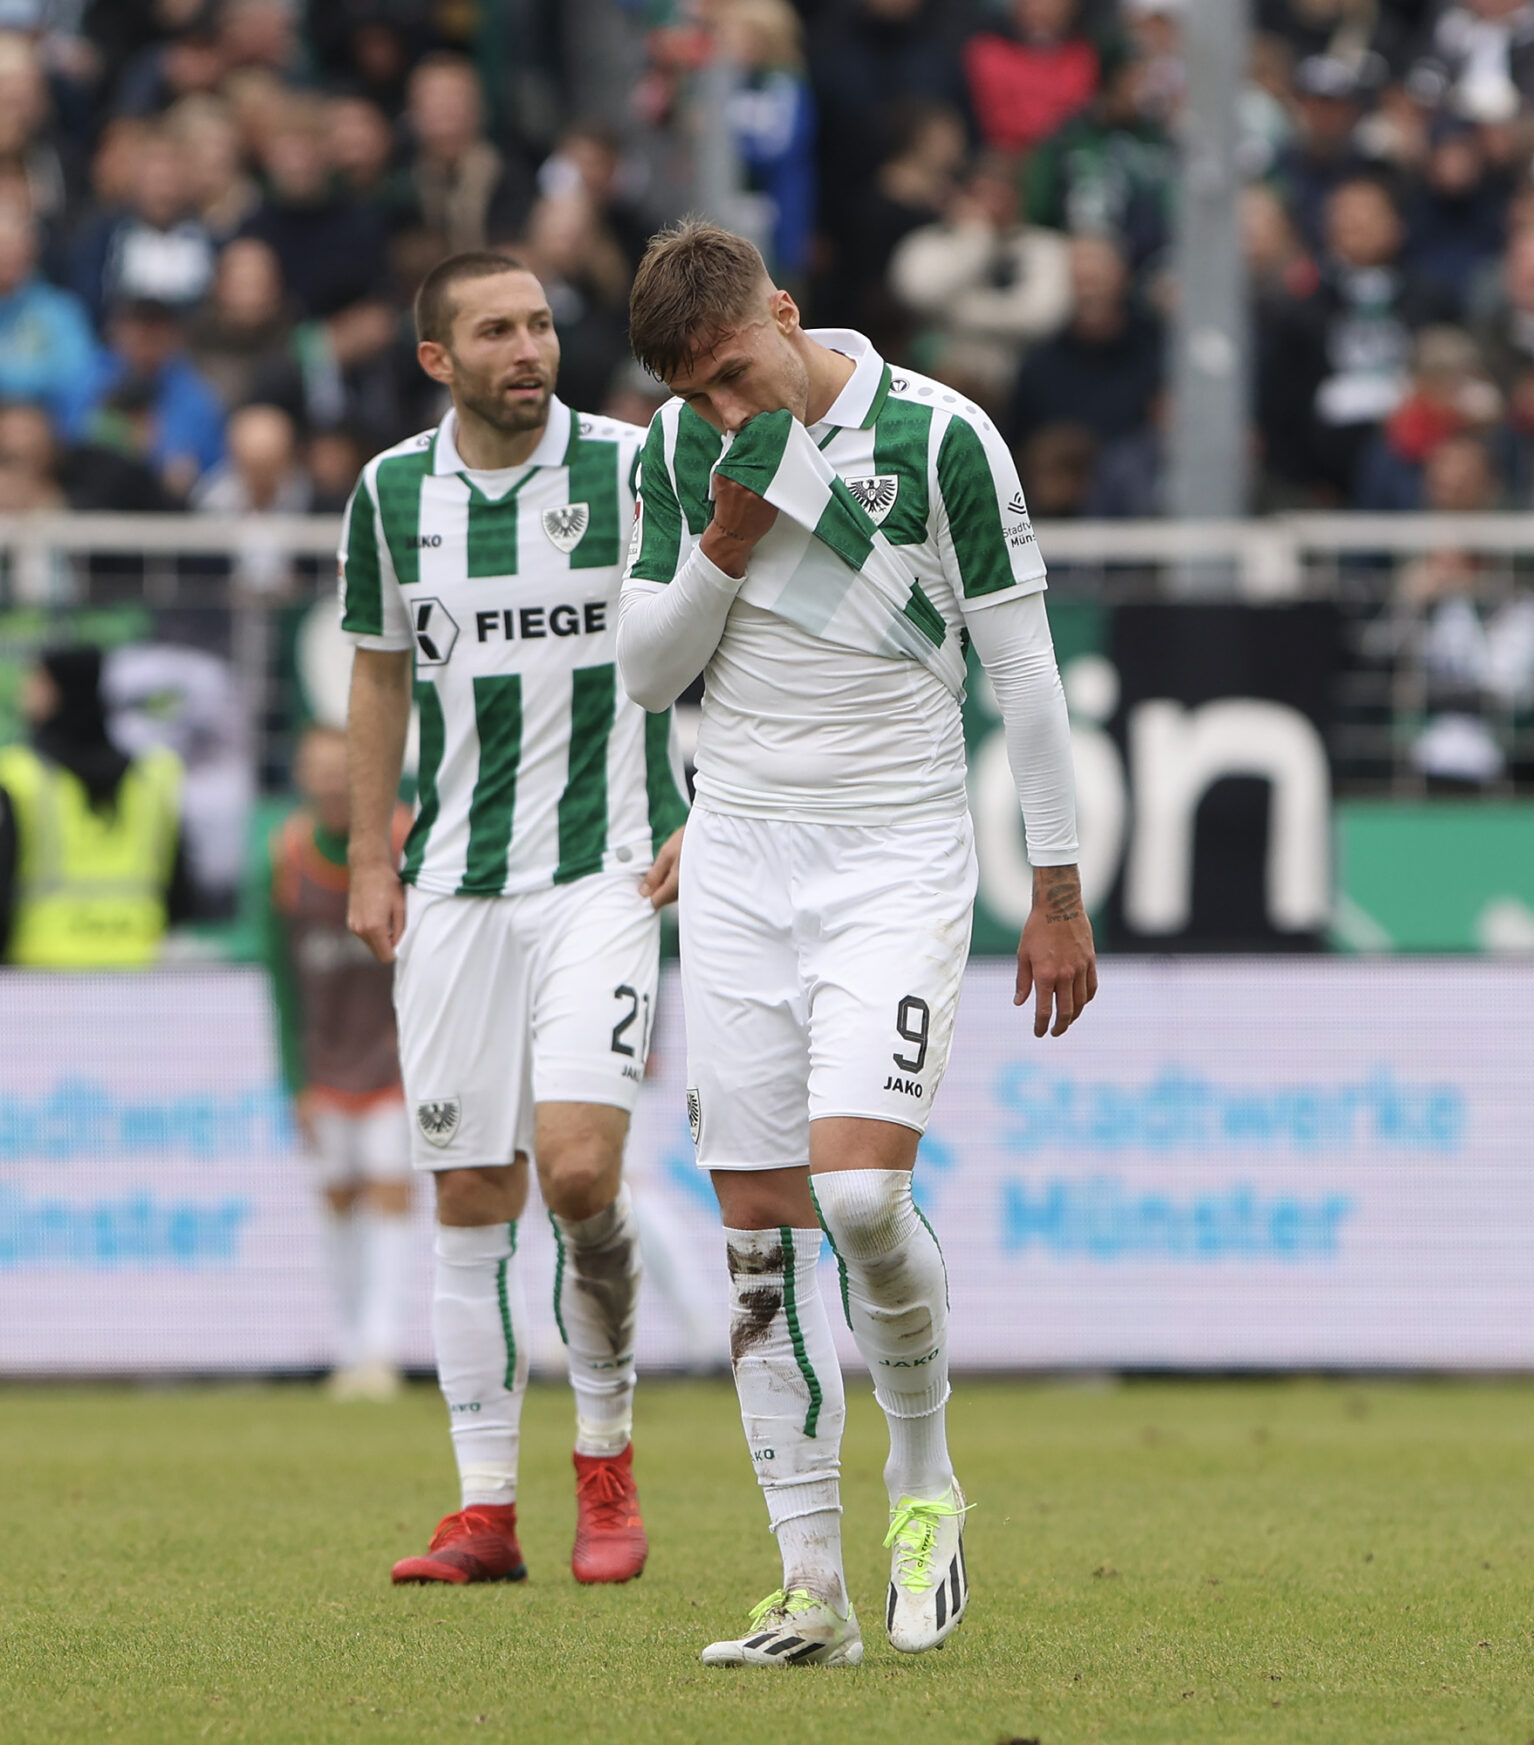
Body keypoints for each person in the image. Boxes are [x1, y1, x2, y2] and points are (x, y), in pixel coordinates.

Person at [616, 220, 1094, 1669]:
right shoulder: (673, 462)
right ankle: (809, 1590)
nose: (728, 413)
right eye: (698, 393)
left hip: (895, 853)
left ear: (788, 311)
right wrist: (723, 543)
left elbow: (1023, 670)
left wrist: (1059, 889)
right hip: (745, 857)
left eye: (738, 372)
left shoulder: (943, 437)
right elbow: (647, 667)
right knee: (757, 1245)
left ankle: (927, 1476)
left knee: (863, 1201)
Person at [338, 252, 686, 1588]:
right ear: (440, 360)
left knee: (581, 1173)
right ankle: (486, 1507)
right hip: (459, 893)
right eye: (496, 330)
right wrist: (372, 853)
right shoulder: (390, 495)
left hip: (603, 869)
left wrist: (699, 796)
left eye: (539, 323)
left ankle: (607, 1460)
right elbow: (378, 678)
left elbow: (727, 614)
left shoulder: (628, 467)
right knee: (471, 1193)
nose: (528, 347)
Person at [263, 726, 411, 1401]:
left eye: (340, 767)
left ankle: (380, 1346)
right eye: (315, 767)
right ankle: (349, 1341)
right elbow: (279, 978)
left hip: (398, 1059)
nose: (328, 780)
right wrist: (294, 1078)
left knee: (389, 1188)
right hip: (327, 1062)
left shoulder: (406, 840)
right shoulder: (288, 854)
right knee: (336, 1195)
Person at [0, 645, 189, 967]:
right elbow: (182, 890)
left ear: (60, 690)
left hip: (40, 972)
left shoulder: (20, 775)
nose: (25, 692)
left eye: (37, 681)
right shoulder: (154, 776)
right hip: (139, 965)